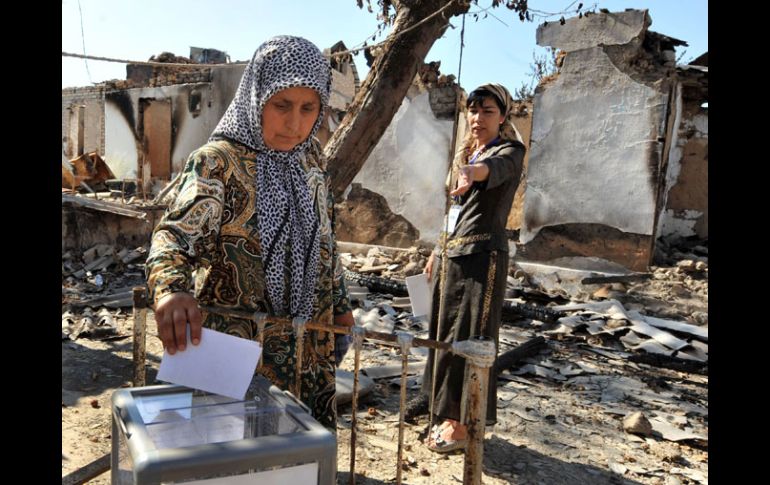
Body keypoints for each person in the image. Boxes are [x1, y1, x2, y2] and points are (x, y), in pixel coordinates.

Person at [145, 35, 354, 430]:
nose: (295, 124)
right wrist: (171, 289)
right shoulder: (218, 163)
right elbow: (172, 238)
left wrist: (341, 306)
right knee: (231, 461)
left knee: (298, 458)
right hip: (234, 360)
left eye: (309, 108)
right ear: (256, 96)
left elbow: (327, 241)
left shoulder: (311, 162)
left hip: (308, 351)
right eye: (282, 106)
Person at [418, 83, 526, 452]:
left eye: (488, 112)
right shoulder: (467, 151)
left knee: (472, 340)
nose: (478, 118)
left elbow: (490, 169)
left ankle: (462, 427)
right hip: (453, 258)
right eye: (473, 110)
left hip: (483, 261)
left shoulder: (510, 150)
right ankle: (446, 415)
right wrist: (438, 248)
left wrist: (473, 171)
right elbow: (455, 214)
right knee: (445, 336)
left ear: (503, 117)